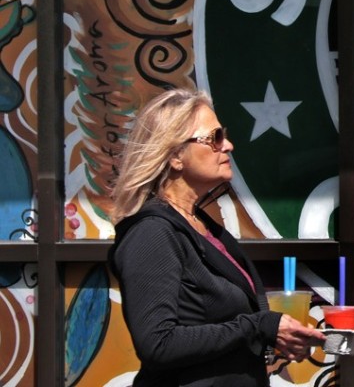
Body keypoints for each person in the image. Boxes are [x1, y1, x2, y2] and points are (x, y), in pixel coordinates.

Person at [108, 88, 324, 386]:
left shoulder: (204, 227)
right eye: (215, 138)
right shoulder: (152, 232)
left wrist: (273, 337)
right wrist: (258, 326)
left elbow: (218, 331)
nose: (229, 146)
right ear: (174, 156)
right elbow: (158, 343)